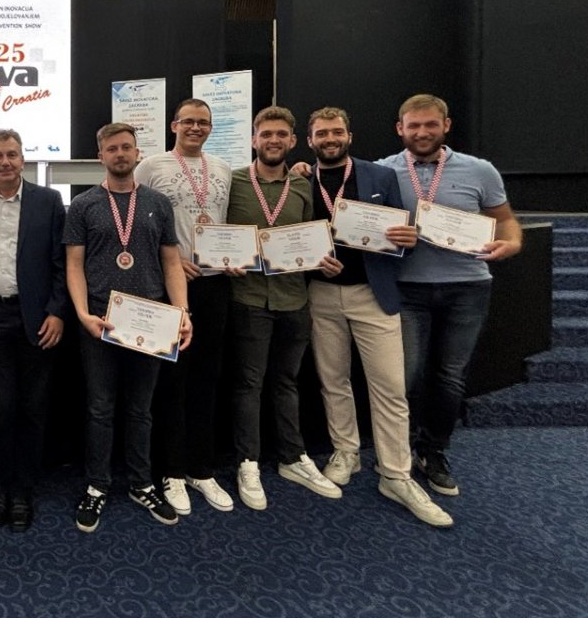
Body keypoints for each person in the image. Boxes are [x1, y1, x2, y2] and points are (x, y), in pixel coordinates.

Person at [303, 107, 453, 527]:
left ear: (349, 136)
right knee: (333, 381)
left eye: (336, 132)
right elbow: (293, 237)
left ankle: (396, 474)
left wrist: (407, 238)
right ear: (310, 140)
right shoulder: (301, 180)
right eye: (321, 133)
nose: (329, 139)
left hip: (373, 294)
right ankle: (346, 452)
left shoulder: (380, 177)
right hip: (320, 294)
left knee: (389, 388)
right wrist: (314, 262)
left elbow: (400, 235)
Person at [378, 94, 521, 496]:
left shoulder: (480, 170)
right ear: (400, 129)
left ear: (446, 125)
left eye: (430, 124)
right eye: (414, 126)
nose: (422, 132)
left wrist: (512, 244)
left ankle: (434, 451)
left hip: (467, 288)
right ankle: (400, 453)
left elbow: (506, 221)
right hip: (407, 289)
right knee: (404, 376)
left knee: (450, 376)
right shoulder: (383, 171)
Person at [64, 122, 193, 533]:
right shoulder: (82, 205)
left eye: (126, 147)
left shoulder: (158, 202)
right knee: (100, 408)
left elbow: (171, 261)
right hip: (100, 320)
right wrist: (82, 314)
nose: (120, 154)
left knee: (140, 409)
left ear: (138, 153)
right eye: (112, 148)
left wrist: (183, 312)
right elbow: (74, 265)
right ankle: (97, 485)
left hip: (151, 320)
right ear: (100, 155)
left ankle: (141, 483)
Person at [226, 106, 342, 511]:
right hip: (248, 299)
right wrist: (222, 258)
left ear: (293, 141)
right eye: (265, 134)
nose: (273, 141)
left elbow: (312, 237)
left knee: (287, 382)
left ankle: (293, 457)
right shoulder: (234, 182)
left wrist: (323, 260)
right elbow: (217, 235)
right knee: (248, 384)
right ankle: (248, 462)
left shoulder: (304, 186)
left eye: (280, 135)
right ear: (253, 140)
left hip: (294, 299)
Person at [0, 128, 67, 531]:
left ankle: (23, 490)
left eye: (12, 154)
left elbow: (61, 263)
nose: (5, 162)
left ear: (23, 159)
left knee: (33, 407)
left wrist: (57, 312)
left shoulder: (48, 201)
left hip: (37, 318)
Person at [133, 99, 236, 516]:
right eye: (188, 121)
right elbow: (134, 224)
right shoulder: (151, 167)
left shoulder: (224, 168)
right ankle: (172, 470)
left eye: (203, 122)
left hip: (215, 285)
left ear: (211, 128)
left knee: (208, 379)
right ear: (174, 125)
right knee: (172, 381)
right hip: (169, 286)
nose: (196, 128)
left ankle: (201, 468)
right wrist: (171, 261)